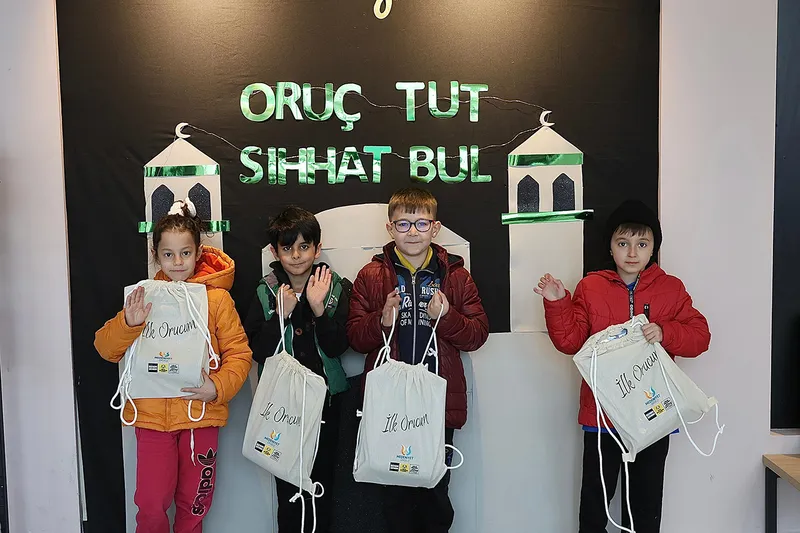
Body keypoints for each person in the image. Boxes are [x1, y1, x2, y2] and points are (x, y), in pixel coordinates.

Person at [535, 199, 711, 533]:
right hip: (602, 417)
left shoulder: (670, 288)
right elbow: (570, 342)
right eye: (623, 243)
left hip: (653, 415)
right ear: (610, 246)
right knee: (594, 507)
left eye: (642, 244)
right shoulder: (590, 286)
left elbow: (701, 337)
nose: (632, 253)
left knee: (645, 507)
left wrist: (666, 332)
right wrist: (557, 302)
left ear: (654, 247)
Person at [94, 199, 252, 533]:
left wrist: (217, 387)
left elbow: (239, 353)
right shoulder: (144, 296)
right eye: (168, 254)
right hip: (153, 418)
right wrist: (129, 323)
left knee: (195, 503)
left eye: (185, 253)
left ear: (198, 253)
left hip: (200, 415)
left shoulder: (217, 300)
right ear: (156, 254)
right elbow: (105, 348)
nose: (177, 262)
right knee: (151, 504)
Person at [347, 187, 489, 533]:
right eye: (403, 224)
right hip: (389, 404)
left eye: (421, 223)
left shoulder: (456, 275)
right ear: (389, 228)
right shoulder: (371, 275)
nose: (412, 232)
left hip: (437, 401)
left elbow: (477, 334)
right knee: (394, 496)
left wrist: (447, 316)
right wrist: (381, 321)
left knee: (435, 493)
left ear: (435, 228)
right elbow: (355, 338)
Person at [243, 206, 350, 533]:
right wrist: (281, 314)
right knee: (289, 491)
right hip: (282, 407)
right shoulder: (265, 291)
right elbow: (258, 351)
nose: (296, 255)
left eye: (304, 246)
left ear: (317, 249)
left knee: (323, 487)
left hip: (327, 403)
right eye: (287, 247)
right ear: (275, 251)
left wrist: (318, 309)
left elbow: (339, 347)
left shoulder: (336, 287)